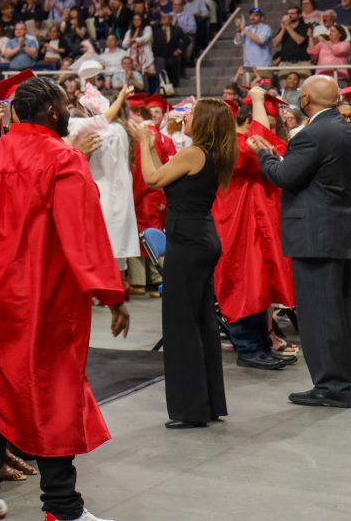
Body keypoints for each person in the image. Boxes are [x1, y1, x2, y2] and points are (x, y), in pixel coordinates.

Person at [0, 77, 129, 521]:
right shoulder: (62, 159)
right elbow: (82, 234)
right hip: (44, 296)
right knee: (52, 392)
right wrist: (110, 293)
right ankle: (62, 506)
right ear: (53, 111)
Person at [250, 74, 351, 407]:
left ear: (305, 100)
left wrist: (264, 156)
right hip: (341, 231)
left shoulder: (313, 134)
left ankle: (332, 386)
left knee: (320, 315)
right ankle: (342, 380)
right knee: (340, 312)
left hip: (316, 235)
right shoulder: (344, 128)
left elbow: (285, 176)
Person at [137, 98, 236, 428]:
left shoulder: (194, 153)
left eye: (191, 113)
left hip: (189, 242)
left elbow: (151, 179)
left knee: (181, 326)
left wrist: (140, 145)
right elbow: (164, 177)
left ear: (204, 121)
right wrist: (151, 146)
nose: (185, 117)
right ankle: (207, 403)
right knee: (202, 321)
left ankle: (190, 409)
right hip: (200, 238)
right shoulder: (210, 152)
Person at [212, 88, 296, 370]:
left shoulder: (249, 140)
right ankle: (247, 348)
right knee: (241, 286)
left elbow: (274, 150)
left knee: (259, 287)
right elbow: (257, 148)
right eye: (267, 124)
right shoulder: (230, 145)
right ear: (249, 122)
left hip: (257, 226)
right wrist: (259, 101)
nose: (271, 132)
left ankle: (261, 344)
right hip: (236, 226)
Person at [65, 75, 141, 285]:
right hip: (119, 198)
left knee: (98, 249)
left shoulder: (94, 128)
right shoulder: (122, 131)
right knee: (115, 257)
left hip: (99, 194)